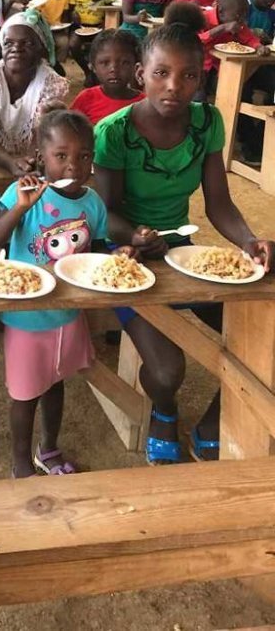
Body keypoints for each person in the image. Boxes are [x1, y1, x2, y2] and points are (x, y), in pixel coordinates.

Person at [94, 24, 273, 465]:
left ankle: (210, 424)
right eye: (161, 73)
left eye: (188, 75)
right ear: (141, 74)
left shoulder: (207, 123)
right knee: (167, 369)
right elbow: (104, 213)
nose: (174, 85)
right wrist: (135, 236)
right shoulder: (114, 132)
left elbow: (219, 204)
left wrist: (250, 241)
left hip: (182, 254)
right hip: (125, 259)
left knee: (268, 338)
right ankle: (164, 411)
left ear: (200, 78)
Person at [0, 111, 133, 478]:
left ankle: (47, 449)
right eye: (61, 155)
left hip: (68, 313)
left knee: (55, 383)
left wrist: (120, 254)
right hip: (27, 317)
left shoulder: (92, 202)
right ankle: (20, 464)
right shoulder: (24, 194)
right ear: (41, 156)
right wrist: (21, 206)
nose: (73, 166)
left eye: (84, 156)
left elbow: (97, 249)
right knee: (24, 395)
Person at [0, 9, 69, 176]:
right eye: (8, 43)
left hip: (31, 160)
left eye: (27, 43)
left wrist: (28, 164)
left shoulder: (54, 84)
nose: (16, 48)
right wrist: (11, 163)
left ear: (42, 48)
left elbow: (40, 134)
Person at [70, 29, 142, 125]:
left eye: (124, 63)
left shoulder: (144, 104)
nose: (114, 69)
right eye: (105, 63)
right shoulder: (86, 99)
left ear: (136, 66)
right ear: (93, 66)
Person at [68, 0, 115, 75]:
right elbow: (69, 11)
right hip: (79, 28)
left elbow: (112, 10)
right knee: (73, 45)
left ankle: (97, 73)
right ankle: (87, 72)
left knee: (103, 47)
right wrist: (72, 14)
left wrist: (104, 23)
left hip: (99, 27)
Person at [38, 0, 71, 71]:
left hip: (58, 29)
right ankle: (45, 66)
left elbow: (65, 14)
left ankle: (58, 64)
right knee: (43, 44)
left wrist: (65, 26)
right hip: (44, 29)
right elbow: (38, 15)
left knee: (64, 42)